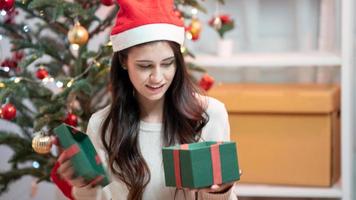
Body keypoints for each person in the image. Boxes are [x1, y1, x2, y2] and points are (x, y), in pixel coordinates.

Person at [56, 0, 238, 199]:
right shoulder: (102, 124)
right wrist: (85, 186)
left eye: (167, 64)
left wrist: (221, 190)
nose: (157, 78)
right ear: (124, 61)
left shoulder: (210, 114)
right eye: (145, 66)